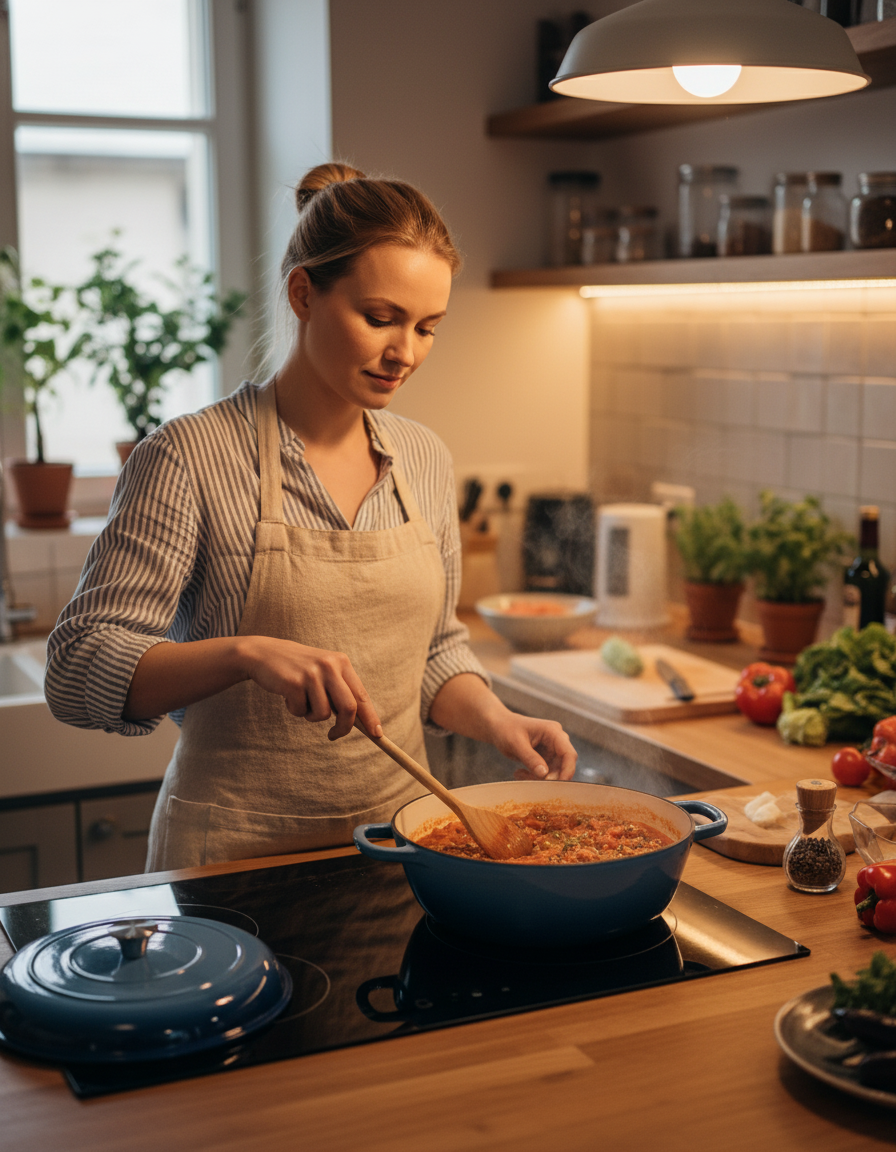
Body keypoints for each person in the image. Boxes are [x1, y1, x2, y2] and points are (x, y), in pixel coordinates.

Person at [45, 162, 577, 871]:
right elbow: (77, 669)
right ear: (304, 293)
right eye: (380, 319)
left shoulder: (423, 459)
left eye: (427, 328)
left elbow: (432, 654)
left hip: (400, 848)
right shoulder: (188, 456)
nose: (405, 354)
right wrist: (247, 652)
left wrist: (497, 721)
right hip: (234, 865)